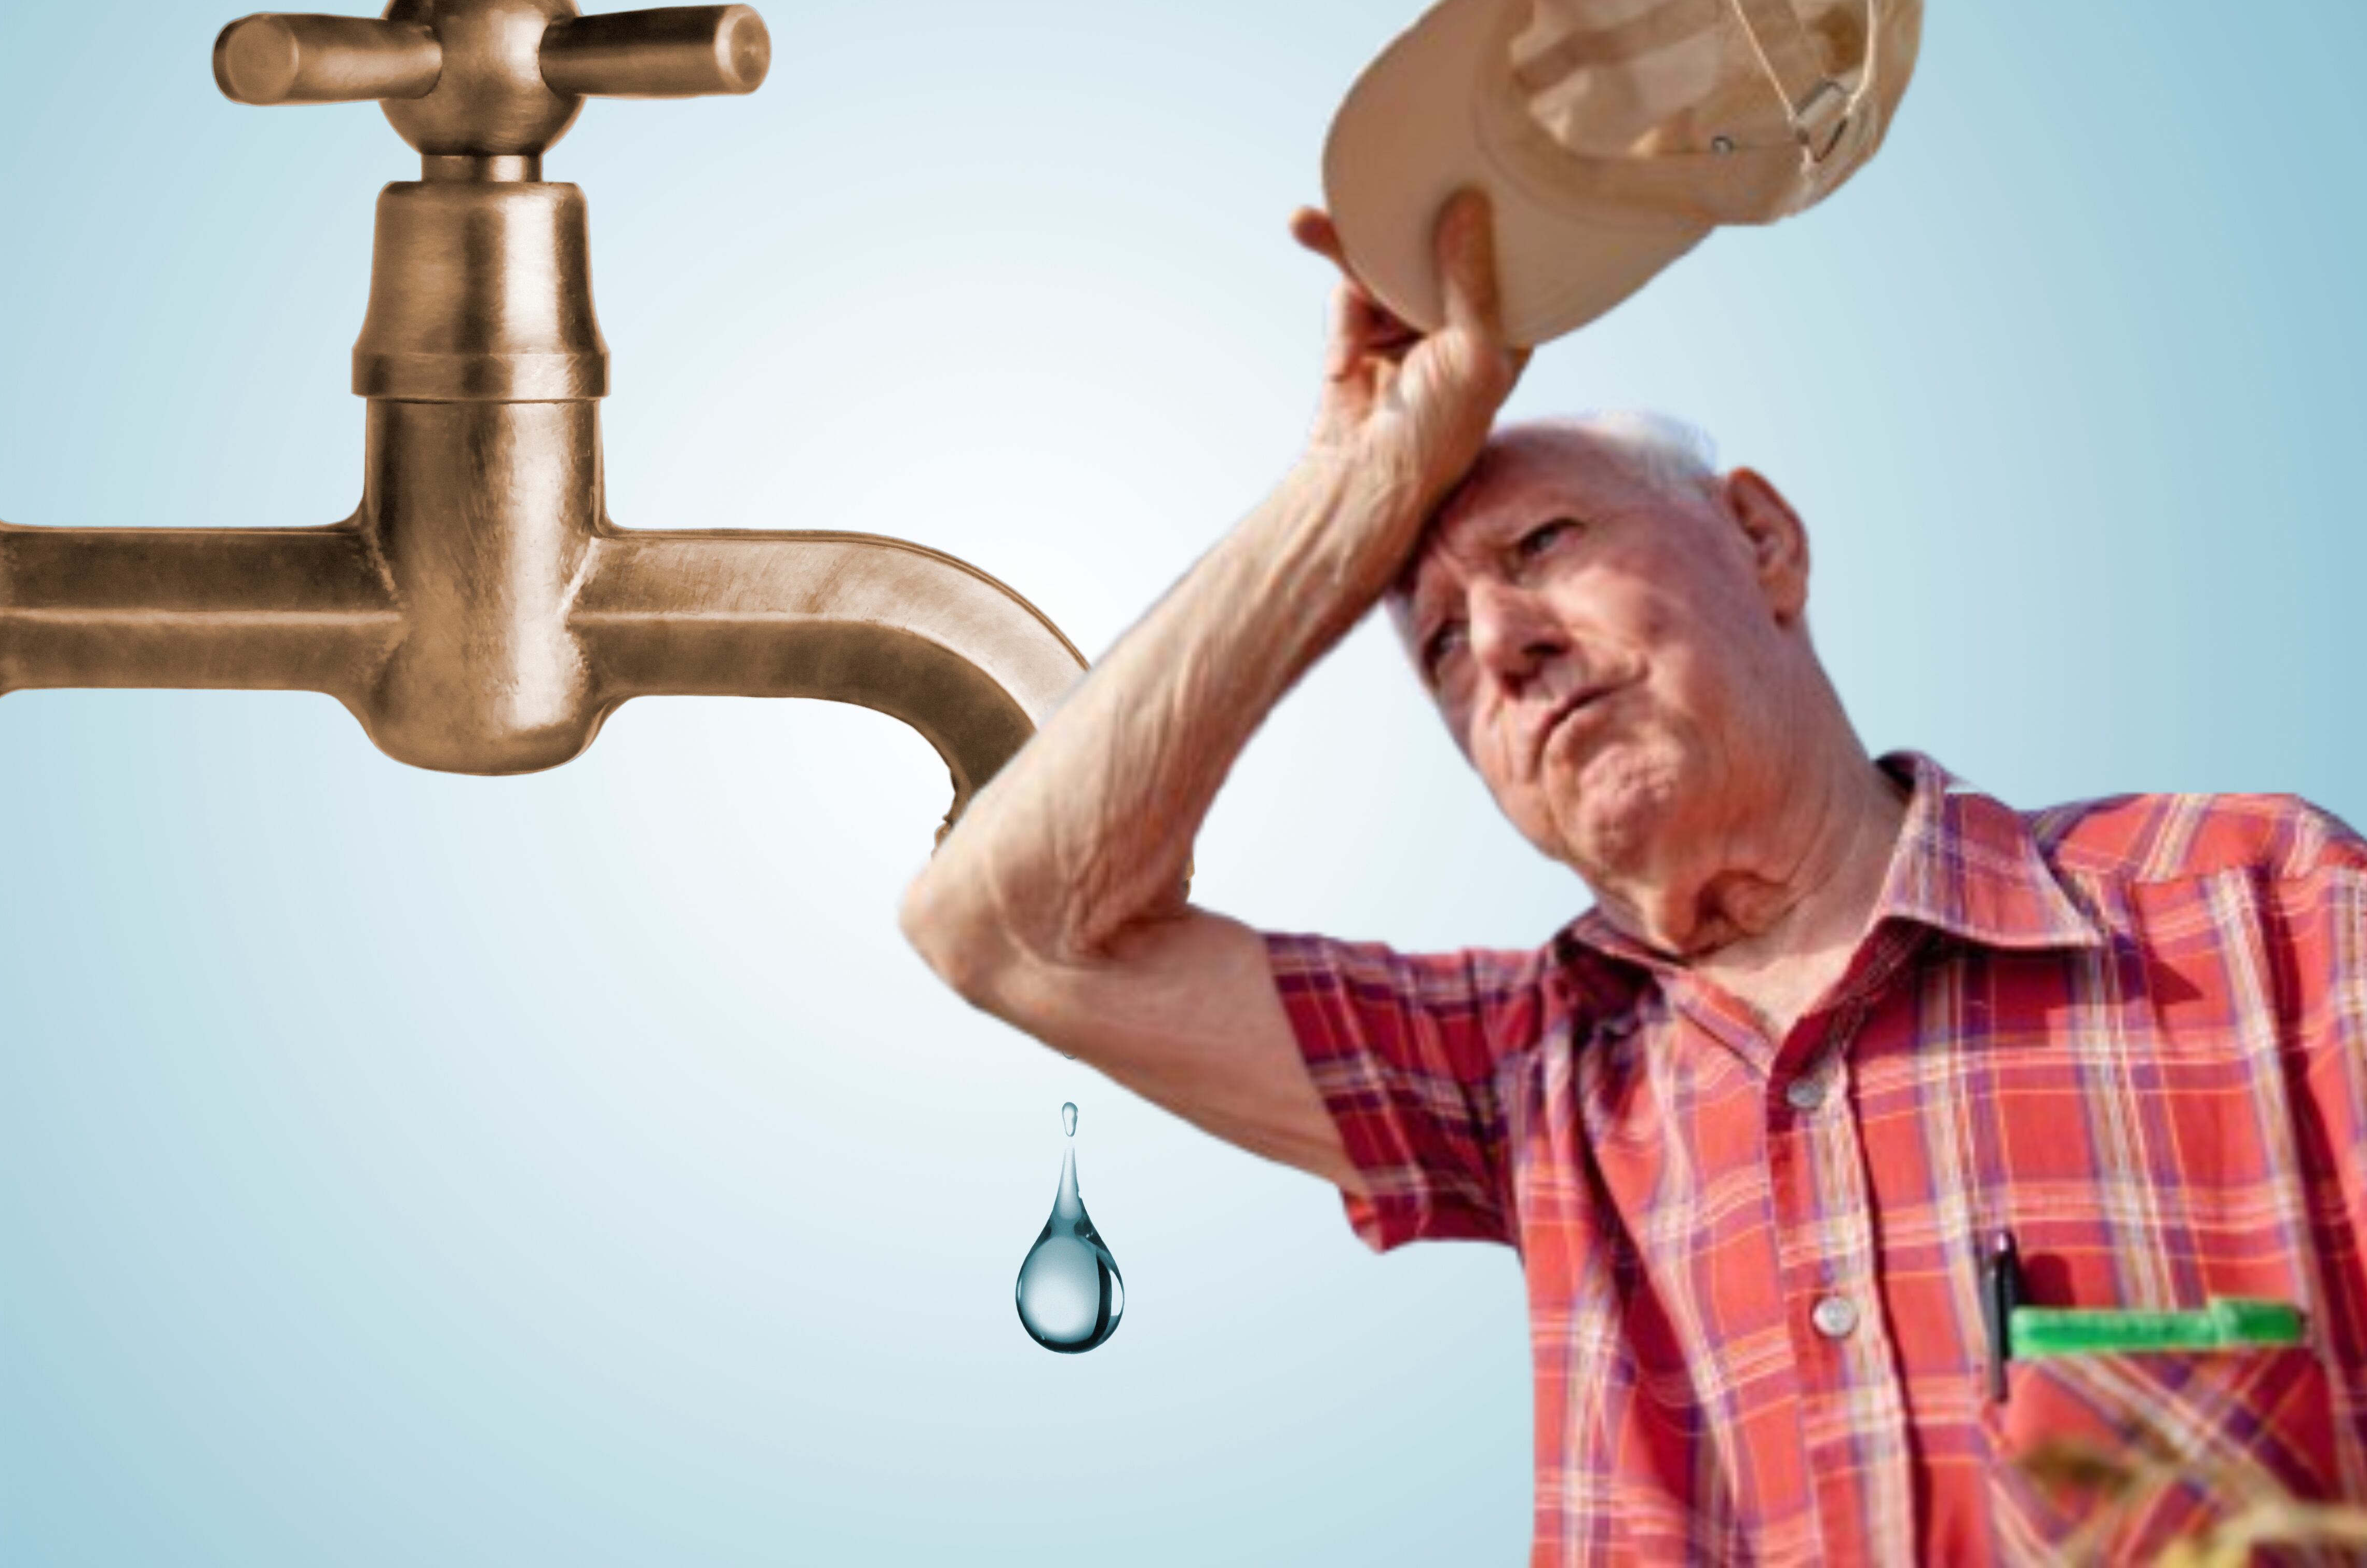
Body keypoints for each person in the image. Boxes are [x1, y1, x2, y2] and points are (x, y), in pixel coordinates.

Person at [896, 189, 2367, 1564]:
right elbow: (1008, 925)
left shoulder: (2254, 911)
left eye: (1546, 544)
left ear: (1762, 541)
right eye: (1445, 651)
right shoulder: (1531, 1077)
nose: (1510, 646)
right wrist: (1356, 492)